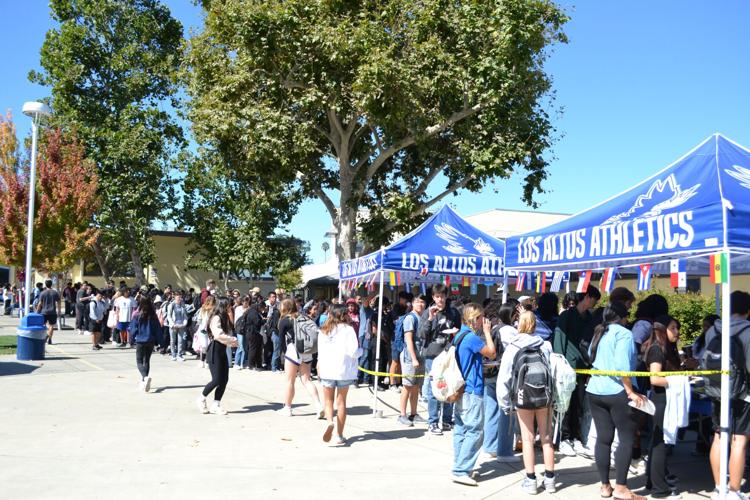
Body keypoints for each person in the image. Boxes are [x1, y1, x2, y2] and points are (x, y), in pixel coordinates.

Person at [586, 302, 646, 500]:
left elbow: (589, 355)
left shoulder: (599, 331)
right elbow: (622, 367)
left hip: (595, 390)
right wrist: (631, 391)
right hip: (617, 391)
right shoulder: (624, 334)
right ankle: (621, 487)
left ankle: (605, 486)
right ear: (622, 317)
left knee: (604, 439)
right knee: (626, 438)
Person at [498, 310, 556, 494]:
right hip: (545, 397)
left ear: (519, 324)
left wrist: (504, 402)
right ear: (535, 325)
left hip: (523, 396)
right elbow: (552, 371)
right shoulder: (545, 345)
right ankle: (550, 480)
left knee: (528, 438)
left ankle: (531, 480)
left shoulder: (512, 347)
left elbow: (504, 377)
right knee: (546, 438)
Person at [704, 290, 750, 500]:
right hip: (742, 393)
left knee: (719, 437)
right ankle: (734, 491)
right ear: (747, 311)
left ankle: (718, 487)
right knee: (738, 441)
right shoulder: (748, 331)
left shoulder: (713, 330)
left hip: (717, 391)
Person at [451, 303, 496, 486]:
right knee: (475, 431)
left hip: (461, 389)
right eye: (481, 318)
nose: (483, 321)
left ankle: (460, 465)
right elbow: (492, 353)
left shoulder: (459, 335)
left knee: (462, 428)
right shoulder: (471, 338)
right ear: (474, 318)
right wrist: (487, 332)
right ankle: (461, 469)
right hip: (472, 389)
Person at [553, 285, 601, 456]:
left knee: (579, 404)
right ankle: (564, 438)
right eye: (595, 300)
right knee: (565, 404)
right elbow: (559, 341)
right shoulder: (567, 315)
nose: (595, 304)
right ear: (588, 297)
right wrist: (559, 364)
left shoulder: (590, 317)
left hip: (583, 368)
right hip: (567, 367)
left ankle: (576, 437)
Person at [643, 315, 683, 499]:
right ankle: (660, 490)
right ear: (662, 329)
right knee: (660, 444)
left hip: (666, 398)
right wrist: (680, 381)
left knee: (657, 442)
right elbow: (655, 379)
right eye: (673, 328)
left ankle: (653, 481)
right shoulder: (657, 349)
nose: (677, 332)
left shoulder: (665, 348)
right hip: (661, 400)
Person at [418, 284, 462, 436]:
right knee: (434, 389)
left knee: (450, 385)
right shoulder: (427, 312)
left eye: (442, 296)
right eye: (437, 296)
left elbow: (459, 330)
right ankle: (433, 421)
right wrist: (430, 318)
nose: (440, 299)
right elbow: (422, 334)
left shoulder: (454, 312)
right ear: (433, 297)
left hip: (449, 353)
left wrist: (456, 333)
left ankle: (447, 420)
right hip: (432, 355)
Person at [317, 304, 362, 445]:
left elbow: (320, 351)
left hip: (326, 369)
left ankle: (330, 422)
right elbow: (353, 352)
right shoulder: (348, 330)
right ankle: (339, 435)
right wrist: (362, 351)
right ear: (343, 314)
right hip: (343, 370)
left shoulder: (323, 329)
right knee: (341, 402)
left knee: (328, 401)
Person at [278, 298, 324, 417]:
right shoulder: (305, 317)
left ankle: (287, 408)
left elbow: (281, 341)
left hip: (293, 351)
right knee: (306, 380)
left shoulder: (284, 320)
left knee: (290, 381)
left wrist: (284, 354)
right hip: (307, 351)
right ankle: (319, 406)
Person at [197, 297, 238, 415]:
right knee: (216, 379)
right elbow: (218, 335)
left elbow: (230, 329)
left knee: (224, 379)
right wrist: (233, 340)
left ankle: (216, 404)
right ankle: (201, 398)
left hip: (222, 351)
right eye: (229, 306)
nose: (231, 308)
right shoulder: (216, 318)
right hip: (215, 350)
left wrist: (231, 316)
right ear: (224, 305)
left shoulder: (225, 317)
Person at [398, 294, 427, 426]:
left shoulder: (422, 317)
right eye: (417, 302)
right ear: (412, 304)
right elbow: (408, 339)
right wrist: (414, 358)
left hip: (420, 356)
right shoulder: (410, 318)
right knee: (407, 386)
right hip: (410, 358)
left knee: (416, 387)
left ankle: (413, 414)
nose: (420, 304)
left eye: (422, 302)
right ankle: (402, 415)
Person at [130, 297, 162, 393]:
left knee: (139, 361)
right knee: (146, 360)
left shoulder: (137, 314)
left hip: (140, 340)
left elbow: (133, 329)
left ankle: (145, 377)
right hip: (150, 340)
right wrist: (162, 342)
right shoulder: (153, 315)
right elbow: (158, 329)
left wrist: (131, 340)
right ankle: (144, 381)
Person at [35, 280, 60, 345]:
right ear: (51, 284)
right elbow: (59, 302)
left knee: (43, 325)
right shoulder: (55, 293)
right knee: (51, 326)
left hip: (44, 312)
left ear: (45, 285)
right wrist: (59, 311)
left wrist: (37, 312)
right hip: (52, 312)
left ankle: (45, 336)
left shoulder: (42, 293)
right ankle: (50, 338)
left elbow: (40, 303)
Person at [166, 290, 189, 362]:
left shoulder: (183, 305)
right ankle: (173, 355)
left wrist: (184, 323)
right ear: (175, 296)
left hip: (181, 325)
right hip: (173, 326)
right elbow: (168, 316)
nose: (179, 297)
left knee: (180, 341)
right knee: (173, 341)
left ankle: (179, 355)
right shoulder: (171, 305)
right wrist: (172, 324)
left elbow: (185, 315)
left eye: (180, 295)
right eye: (177, 295)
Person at [194, 295, 215, 368]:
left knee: (209, 346)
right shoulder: (203, 309)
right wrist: (200, 325)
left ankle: (207, 361)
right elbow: (199, 319)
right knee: (204, 346)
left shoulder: (215, 310)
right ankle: (202, 361)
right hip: (203, 330)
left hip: (211, 330)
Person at [233, 296, 251, 370]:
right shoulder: (238, 308)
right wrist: (247, 311)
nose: (245, 303)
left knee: (245, 346)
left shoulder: (249, 308)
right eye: (244, 301)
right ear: (242, 302)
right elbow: (239, 317)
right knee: (240, 346)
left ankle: (242, 363)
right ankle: (236, 363)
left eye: (247, 301)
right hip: (239, 329)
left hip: (247, 329)